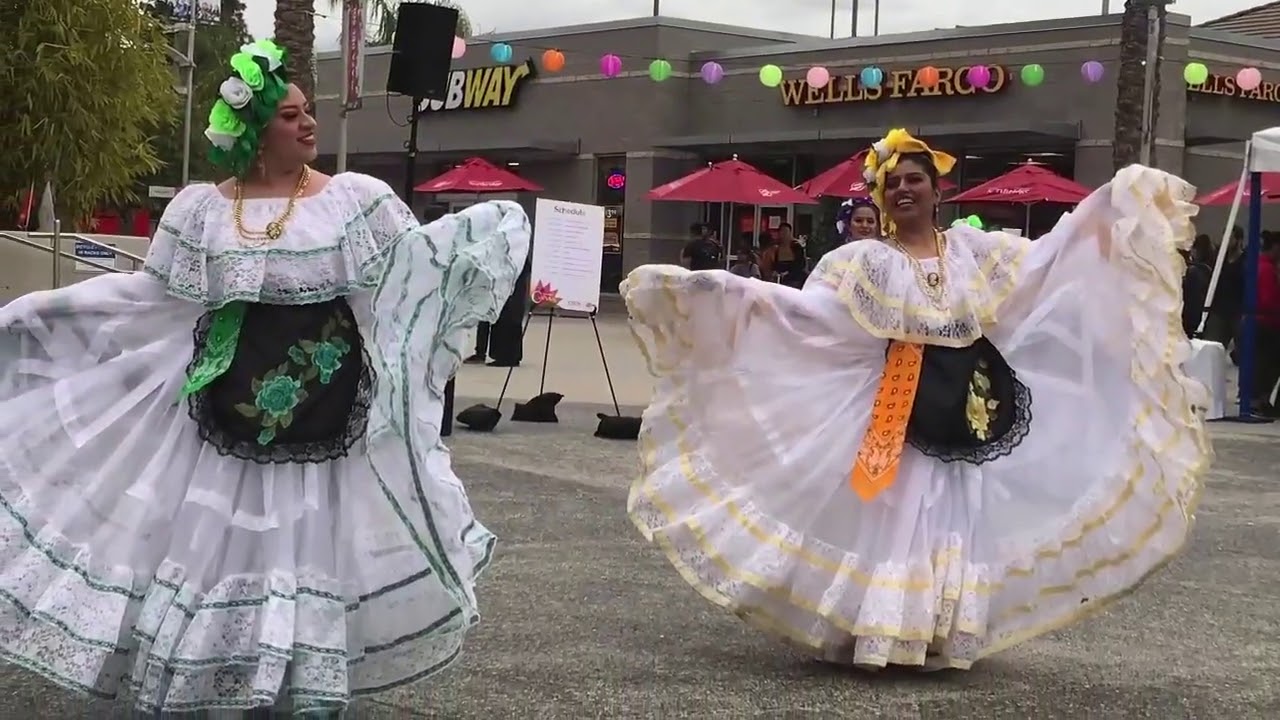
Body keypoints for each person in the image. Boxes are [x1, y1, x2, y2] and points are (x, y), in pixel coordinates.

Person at [0, 40, 530, 714]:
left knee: (311, 542)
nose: (308, 124)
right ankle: (227, 673)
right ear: (253, 132)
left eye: (308, 112)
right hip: (228, 410)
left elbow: (403, 280)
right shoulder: (200, 213)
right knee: (232, 545)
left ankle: (302, 682)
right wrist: (38, 311)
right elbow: (153, 301)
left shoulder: (354, 203)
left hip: (331, 410)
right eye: (288, 116)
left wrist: (478, 236)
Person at [620, 128, 1209, 670]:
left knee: (957, 512)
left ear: (936, 189)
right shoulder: (859, 262)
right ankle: (882, 623)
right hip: (896, 401)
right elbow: (809, 316)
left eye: (914, 180)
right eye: (892, 182)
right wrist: (728, 292)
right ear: (878, 195)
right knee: (900, 512)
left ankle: (940, 628)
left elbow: (1050, 263)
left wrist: (1114, 206)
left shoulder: (979, 253)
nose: (903, 190)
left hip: (971, 402)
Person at [1182, 233, 1214, 338]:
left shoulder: (1193, 271)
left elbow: (1189, 295)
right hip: (1203, 312)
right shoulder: (1208, 270)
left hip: (1190, 313)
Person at [759, 222, 808, 288]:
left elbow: (800, 264)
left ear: (790, 233)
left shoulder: (796, 247)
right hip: (780, 279)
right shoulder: (775, 248)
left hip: (794, 279)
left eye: (786, 232)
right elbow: (770, 265)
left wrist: (788, 273)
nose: (784, 235)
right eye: (782, 232)